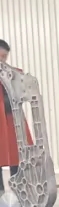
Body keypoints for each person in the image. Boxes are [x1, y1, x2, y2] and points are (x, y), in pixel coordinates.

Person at [0, 40, 22, 193]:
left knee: (16, 156)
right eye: (0, 56)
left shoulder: (12, 74)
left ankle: (18, 191)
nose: (3, 60)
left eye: (5, 57)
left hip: (11, 120)